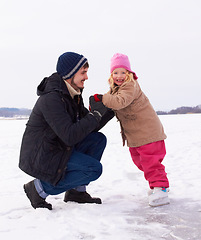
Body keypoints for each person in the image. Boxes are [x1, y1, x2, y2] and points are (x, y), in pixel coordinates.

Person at [19, 52, 114, 210]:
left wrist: (108, 111)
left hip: (58, 147)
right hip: (43, 154)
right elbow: (70, 135)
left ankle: (76, 192)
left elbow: (89, 127)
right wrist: (94, 115)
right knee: (93, 169)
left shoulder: (71, 95)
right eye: (83, 73)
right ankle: (38, 189)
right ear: (70, 74)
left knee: (97, 139)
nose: (86, 77)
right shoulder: (51, 98)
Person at [90, 53, 170, 207]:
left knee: (150, 161)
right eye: (115, 72)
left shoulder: (130, 86)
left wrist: (102, 98)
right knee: (139, 161)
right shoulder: (115, 89)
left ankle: (161, 188)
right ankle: (156, 184)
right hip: (136, 135)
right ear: (111, 74)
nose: (119, 76)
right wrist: (98, 103)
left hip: (148, 132)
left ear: (129, 74)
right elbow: (110, 98)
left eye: (123, 72)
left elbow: (119, 102)